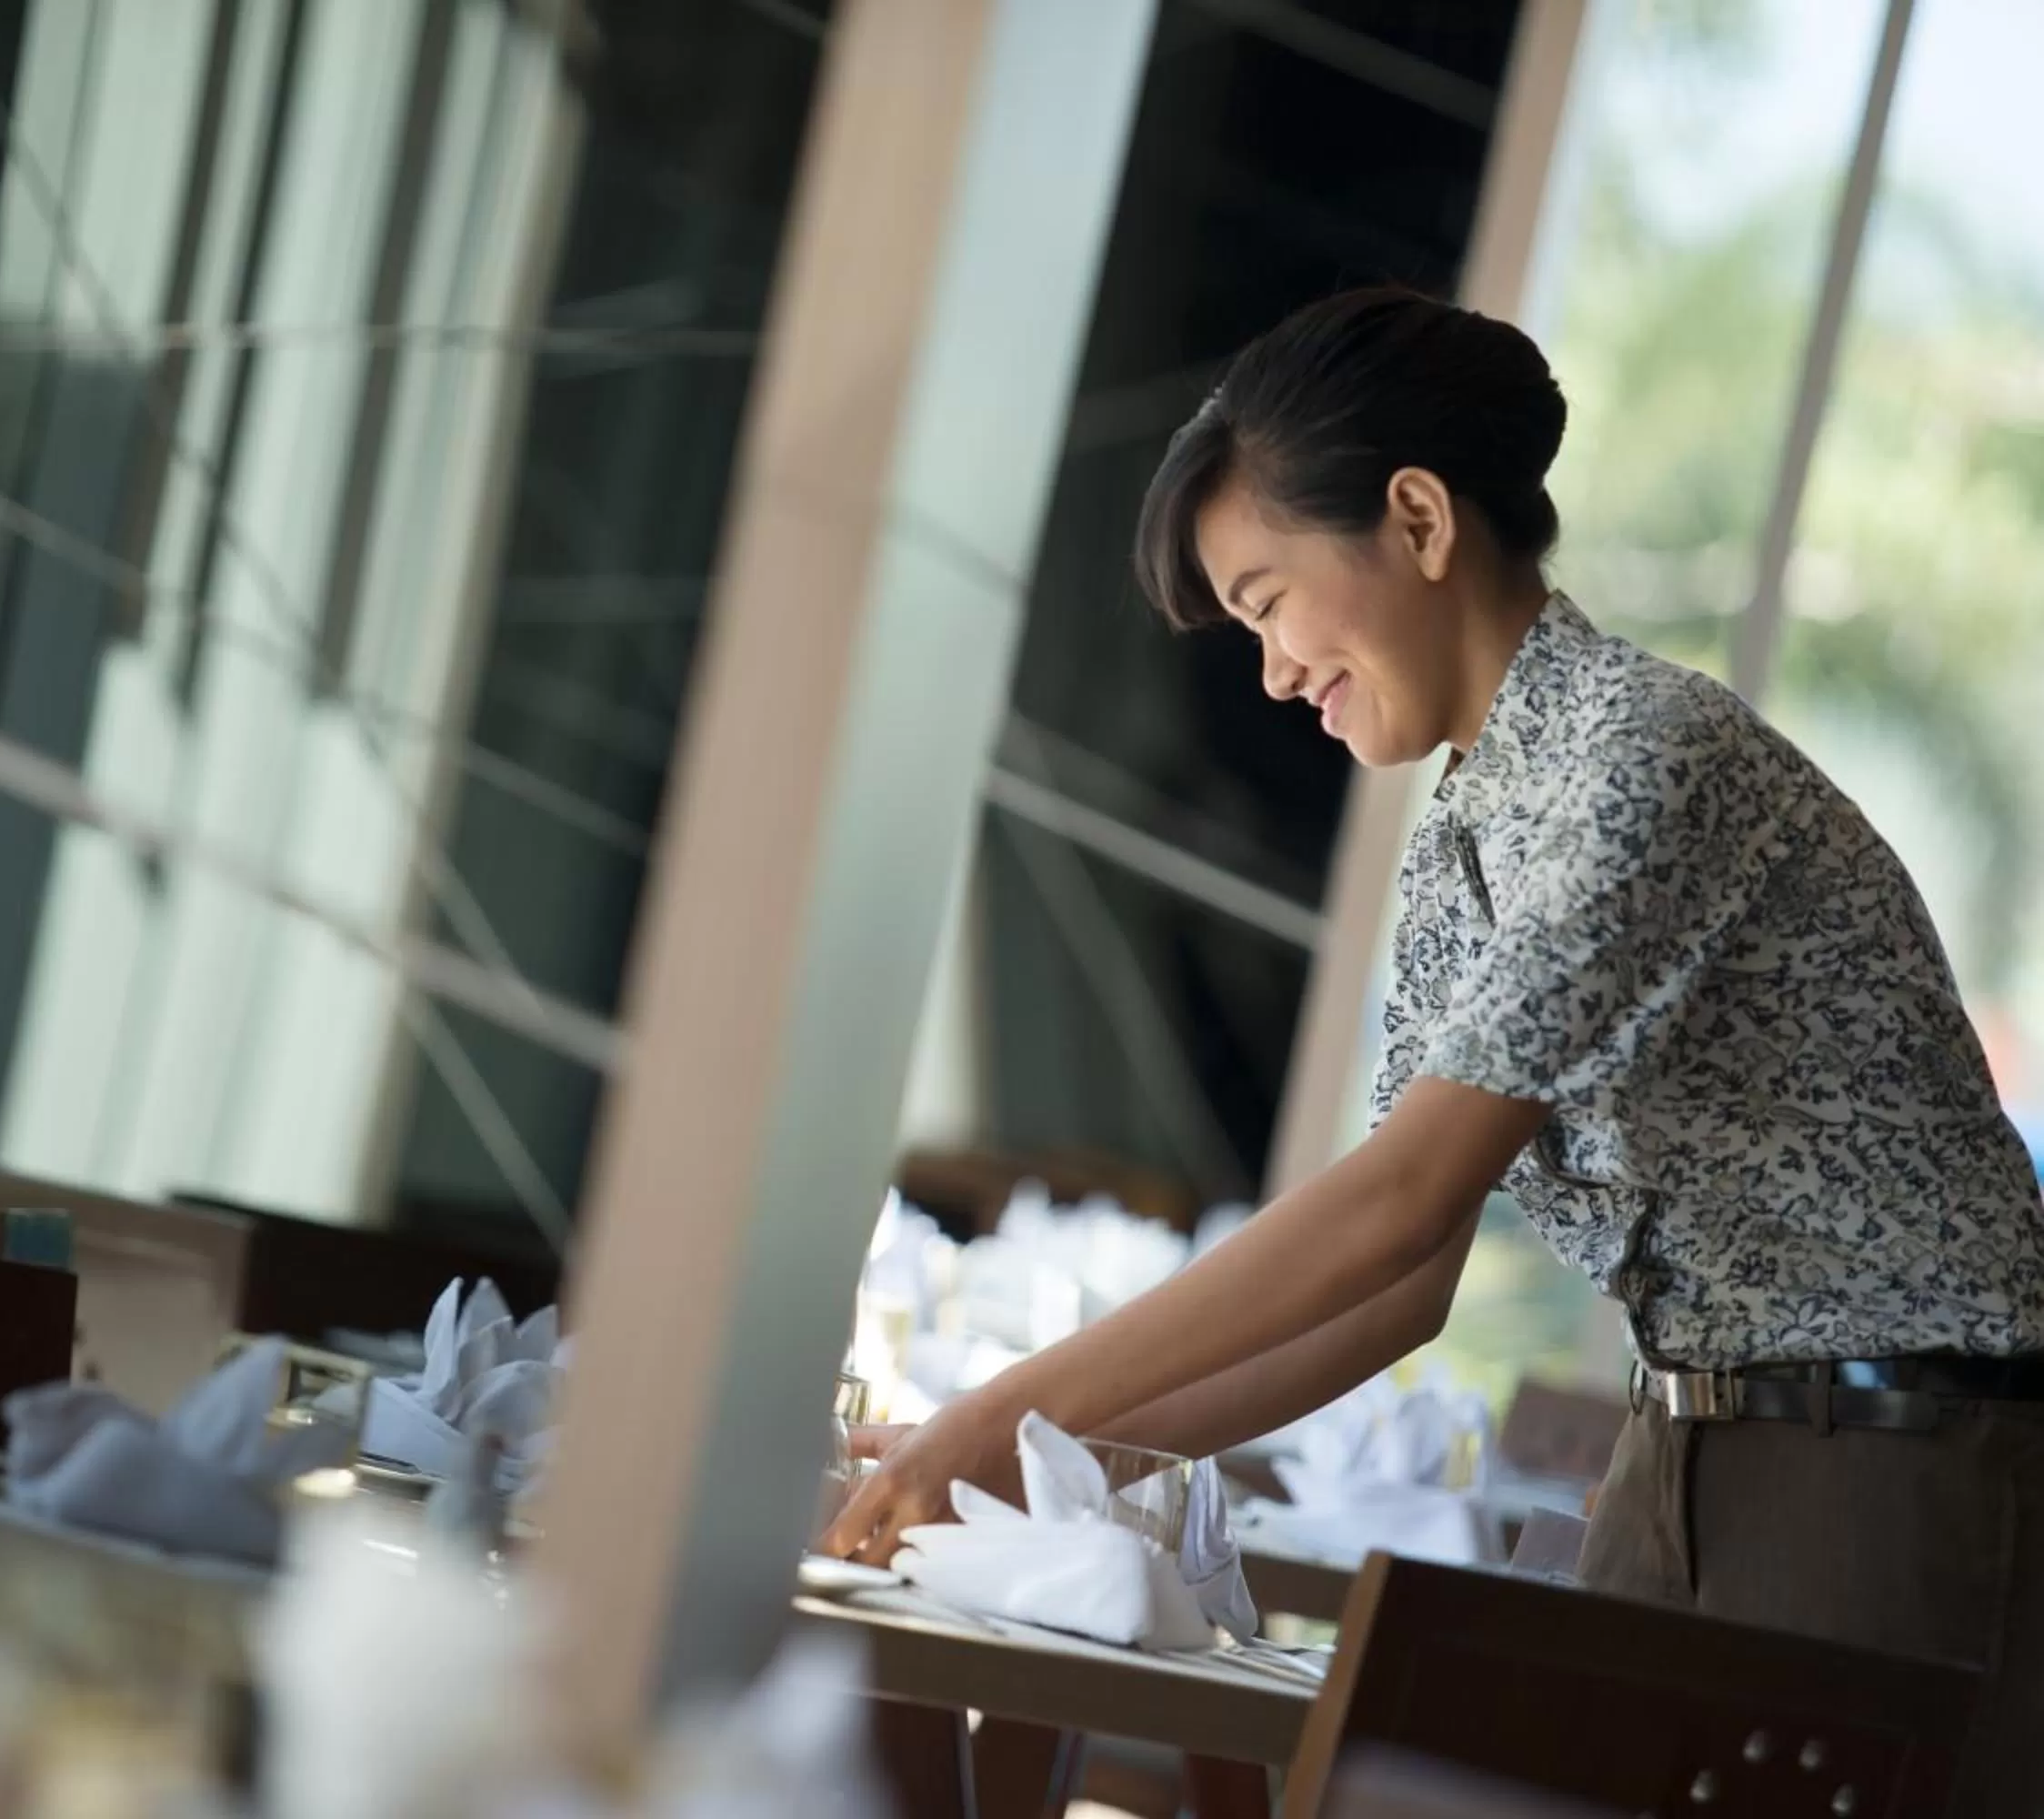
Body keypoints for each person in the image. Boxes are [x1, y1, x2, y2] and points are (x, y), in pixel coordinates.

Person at [820, 287, 2044, 1810]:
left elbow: (1401, 1199)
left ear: (1415, 518)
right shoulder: (1468, 834)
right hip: (1688, 1451)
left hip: (1894, 1457)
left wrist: (1009, 1414)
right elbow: (1404, 1287)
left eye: (1268, 601)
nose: (1270, 672)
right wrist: (1045, 1455)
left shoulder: (1642, 758)